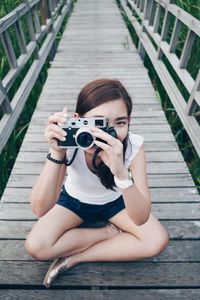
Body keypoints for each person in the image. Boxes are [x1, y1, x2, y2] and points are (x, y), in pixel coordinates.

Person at [25, 79, 169, 288]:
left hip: (116, 202)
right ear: (77, 121)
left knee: (157, 240)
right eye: (97, 123)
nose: (107, 134)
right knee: (36, 246)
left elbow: (140, 218)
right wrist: (56, 151)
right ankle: (109, 233)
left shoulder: (134, 146)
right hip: (74, 200)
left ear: (129, 121)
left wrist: (120, 171)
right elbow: (40, 208)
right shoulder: (71, 141)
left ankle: (74, 258)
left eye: (119, 123)